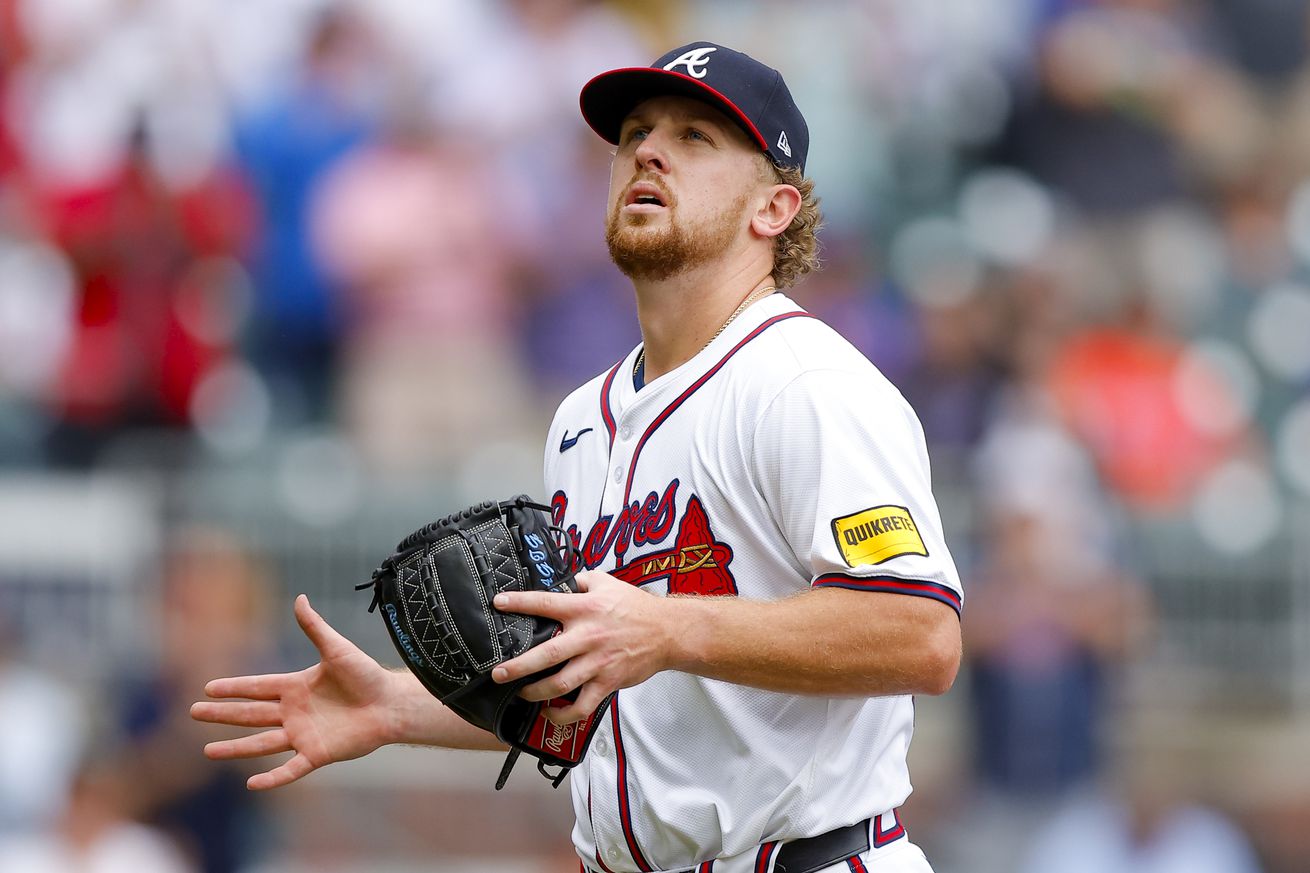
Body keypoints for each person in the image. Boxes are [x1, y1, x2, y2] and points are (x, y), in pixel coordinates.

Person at [193, 42, 964, 873]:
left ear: (773, 208)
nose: (648, 151)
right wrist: (397, 706)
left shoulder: (805, 383)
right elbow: (596, 688)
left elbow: (922, 634)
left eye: (696, 137)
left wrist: (666, 627)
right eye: (634, 132)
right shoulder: (580, 420)